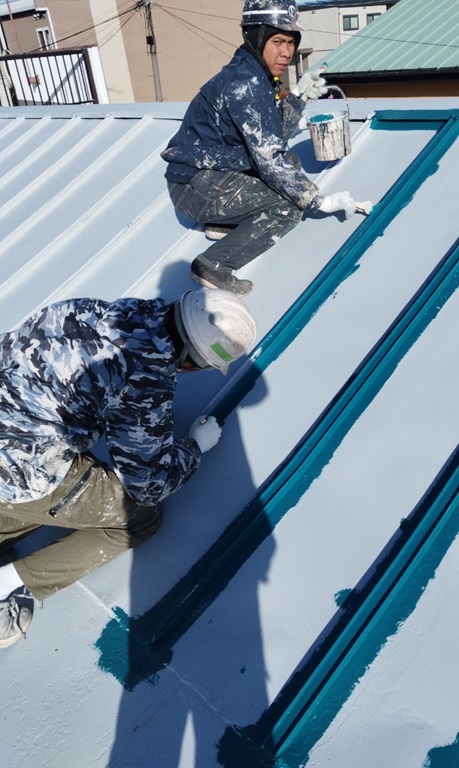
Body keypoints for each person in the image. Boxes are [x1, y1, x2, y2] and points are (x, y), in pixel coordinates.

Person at [0, 287, 257, 648]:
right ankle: (8, 583)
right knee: (139, 519)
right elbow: (147, 485)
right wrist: (195, 447)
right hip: (15, 466)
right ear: (191, 361)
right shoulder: (145, 380)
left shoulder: (85, 308)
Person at [161, 0, 361, 297]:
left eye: (291, 42)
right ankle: (213, 265)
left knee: (291, 163)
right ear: (256, 38)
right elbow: (268, 156)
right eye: (277, 41)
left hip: (211, 175)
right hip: (194, 186)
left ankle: (226, 221)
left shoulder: (255, 73)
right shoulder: (246, 83)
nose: (286, 52)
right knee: (287, 208)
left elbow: (271, 139)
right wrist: (319, 200)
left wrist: (298, 99)